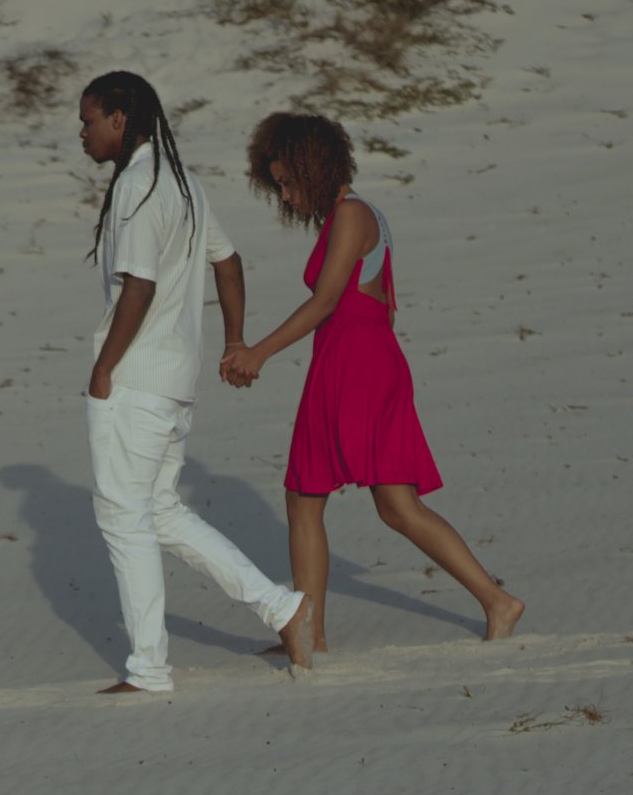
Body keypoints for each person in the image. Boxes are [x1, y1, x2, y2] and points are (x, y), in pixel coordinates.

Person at [220, 112, 524, 648]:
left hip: (355, 364)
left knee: (314, 495)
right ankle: (495, 602)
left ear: (312, 167)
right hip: (358, 360)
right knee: (376, 504)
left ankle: (312, 636)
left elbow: (328, 299)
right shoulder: (353, 214)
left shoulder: (353, 214)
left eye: (287, 183)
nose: (286, 198)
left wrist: (258, 352)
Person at [78, 71, 314, 694]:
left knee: (123, 518)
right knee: (158, 512)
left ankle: (149, 668)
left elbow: (141, 286)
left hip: (136, 380)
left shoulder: (138, 184)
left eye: (90, 119)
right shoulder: (181, 182)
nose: (82, 132)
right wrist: (233, 339)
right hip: (174, 381)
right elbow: (228, 261)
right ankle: (280, 608)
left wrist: (104, 370)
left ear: (120, 120)